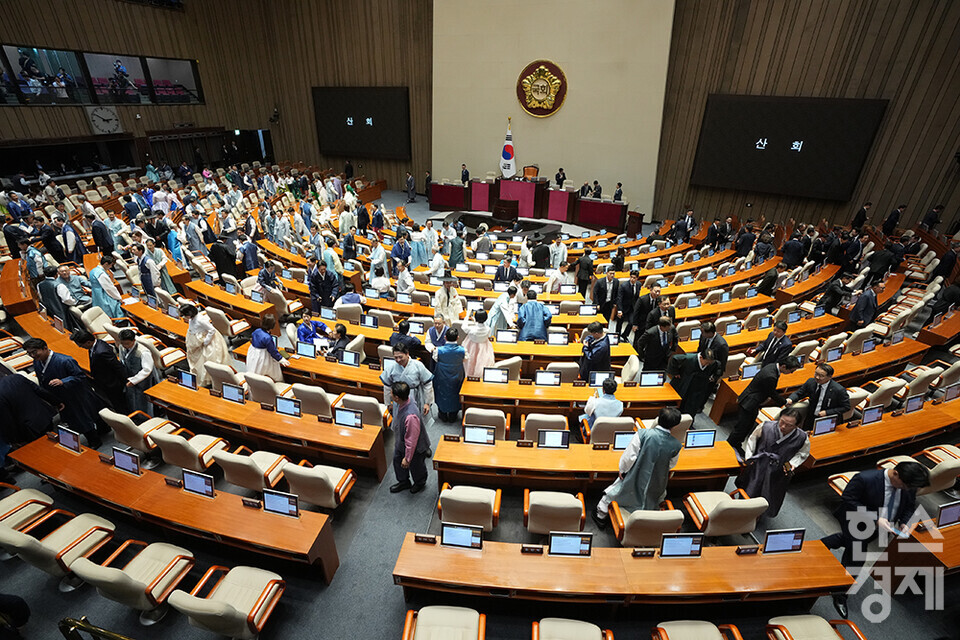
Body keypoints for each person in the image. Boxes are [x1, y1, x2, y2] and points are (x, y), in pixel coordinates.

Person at [821, 460, 930, 617]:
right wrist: (875, 518)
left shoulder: (908, 485)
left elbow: (909, 506)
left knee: (848, 541)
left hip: (879, 529)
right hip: (855, 523)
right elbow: (848, 500)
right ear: (896, 474)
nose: (907, 489)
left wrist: (905, 523)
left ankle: (822, 545)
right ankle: (840, 593)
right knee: (857, 558)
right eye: (905, 486)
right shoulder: (866, 479)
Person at [593, 407, 683, 526]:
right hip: (657, 480)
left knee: (614, 490)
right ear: (675, 426)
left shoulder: (643, 434)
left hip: (635, 474)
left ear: (658, 419)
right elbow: (671, 464)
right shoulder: (676, 445)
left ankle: (601, 515)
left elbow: (629, 456)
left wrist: (623, 470)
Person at [24, 338, 103, 448]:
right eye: (29, 353)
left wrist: (63, 381)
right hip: (60, 396)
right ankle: (102, 430)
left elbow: (80, 376)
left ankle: (95, 441)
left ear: (45, 348)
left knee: (83, 418)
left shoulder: (64, 360)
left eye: (34, 352)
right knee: (77, 418)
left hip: (76, 394)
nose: (32, 355)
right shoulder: (37, 362)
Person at [735, 407, 809, 518]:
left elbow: (802, 454)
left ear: (797, 425)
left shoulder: (802, 437)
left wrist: (793, 464)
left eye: (789, 425)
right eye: (782, 422)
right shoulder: (766, 426)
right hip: (759, 464)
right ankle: (739, 511)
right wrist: (749, 457)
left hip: (778, 470)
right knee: (750, 488)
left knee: (768, 494)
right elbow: (752, 439)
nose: (783, 427)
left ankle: (756, 516)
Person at [728, 357, 801, 455]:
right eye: (791, 371)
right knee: (741, 427)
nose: (791, 373)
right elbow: (772, 393)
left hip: (752, 401)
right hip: (749, 403)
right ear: (784, 366)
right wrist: (784, 401)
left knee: (747, 426)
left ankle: (736, 444)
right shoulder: (771, 376)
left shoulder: (772, 366)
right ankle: (729, 446)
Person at [389, 381, 431, 494]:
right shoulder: (407, 399)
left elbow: (411, 441)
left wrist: (407, 458)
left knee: (416, 467)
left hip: (415, 447)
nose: (390, 394)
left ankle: (420, 483)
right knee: (397, 461)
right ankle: (404, 482)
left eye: (391, 393)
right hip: (401, 442)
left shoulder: (411, 416)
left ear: (397, 398)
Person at [785, 363, 851, 431]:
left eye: (821, 376)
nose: (817, 377)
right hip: (811, 417)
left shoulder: (839, 390)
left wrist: (827, 412)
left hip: (828, 419)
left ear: (830, 377)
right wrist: (790, 399)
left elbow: (846, 407)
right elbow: (799, 393)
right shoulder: (811, 382)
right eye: (816, 374)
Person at [181, 304, 231, 388]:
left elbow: (212, 330)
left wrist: (206, 341)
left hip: (207, 342)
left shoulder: (200, 320)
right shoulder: (191, 319)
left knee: (205, 361)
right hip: (196, 340)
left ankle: (210, 380)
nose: (183, 317)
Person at [381, 342, 433, 423]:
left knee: (415, 420)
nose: (398, 360)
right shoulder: (391, 368)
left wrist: (427, 403)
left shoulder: (418, 365)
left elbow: (428, 383)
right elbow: (387, 386)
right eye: (396, 357)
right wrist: (388, 403)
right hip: (398, 398)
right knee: (401, 420)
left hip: (414, 396)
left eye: (400, 357)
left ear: (407, 354)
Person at [116, 329, 159, 415]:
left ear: (134, 340)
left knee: (144, 399)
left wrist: (134, 380)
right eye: (123, 343)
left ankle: (147, 417)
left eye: (127, 344)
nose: (125, 346)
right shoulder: (121, 346)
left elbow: (147, 369)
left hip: (143, 378)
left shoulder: (143, 351)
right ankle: (136, 414)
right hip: (130, 375)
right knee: (133, 397)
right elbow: (122, 359)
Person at [667, 348, 720, 415]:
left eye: (709, 363)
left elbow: (718, 367)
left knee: (692, 407)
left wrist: (714, 377)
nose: (707, 365)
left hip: (698, 387)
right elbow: (674, 358)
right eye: (706, 362)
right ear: (701, 357)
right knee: (678, 404)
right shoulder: (689, 358)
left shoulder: (712, 363)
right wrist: (675, 372)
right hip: (684, 384)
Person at [433, 327, 466, 422]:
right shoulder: (462, 350)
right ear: (458, 338)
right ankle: (453, 415)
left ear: (445, 337)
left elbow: (435, 359)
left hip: (442, 374)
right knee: (456, 392)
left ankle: (442, 414)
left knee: (441, 392)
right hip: (457, 374)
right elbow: (465, 359)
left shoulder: (438, 350)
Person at [88, 255, 124, 319]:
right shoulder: (101, 274)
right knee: (115, 305)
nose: (111, 267)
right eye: (111, 265)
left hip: (96, 293)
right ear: (106, 264)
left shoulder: (93, 270)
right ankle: (118, 320)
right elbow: (110, 288)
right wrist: (119, 298)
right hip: (102, 294)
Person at [462, 310, 495, 377]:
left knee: (469, 365)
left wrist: (467, 315)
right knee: (481, 366)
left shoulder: (471, 329)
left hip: (471, 348)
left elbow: (463, 327)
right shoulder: (488, 329)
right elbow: (480, 327)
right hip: (484, 349)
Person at [616, 270, 641, 339]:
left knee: (631, 323)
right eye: (631, 277)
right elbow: (619, 298)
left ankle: (625, 335)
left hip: (632, 307)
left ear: (637, 278)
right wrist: (619, 310)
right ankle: (617, 337)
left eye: (634, 278)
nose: (632, 279)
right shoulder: (623, 286)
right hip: (623, 307)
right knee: (619, 324)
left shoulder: (638, 284)